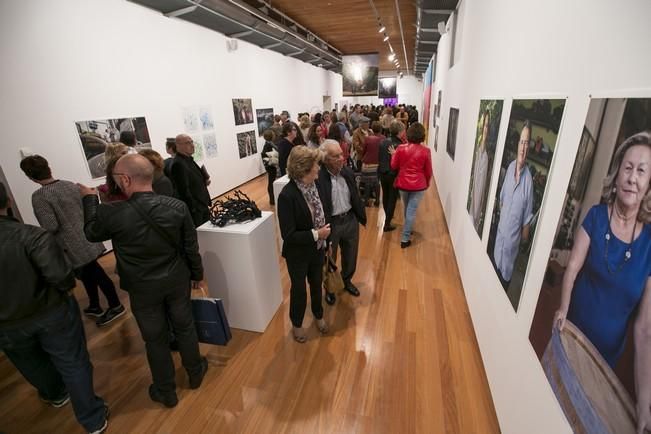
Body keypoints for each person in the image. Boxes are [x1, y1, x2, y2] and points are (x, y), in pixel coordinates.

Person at [80, 154, 208, 408]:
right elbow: (190, 248)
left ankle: (166, 391)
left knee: (155, 339)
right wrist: (197, 274)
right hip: (176, 279)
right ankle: (195, 373)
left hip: (141, 286)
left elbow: (91, 232)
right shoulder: (177, 207)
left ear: (125, 179)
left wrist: (88, 199)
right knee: (185, 327)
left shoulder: (112, 213)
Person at [553, 132, 651, 432]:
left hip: (602, 362)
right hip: (569, 337)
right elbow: (572, 268)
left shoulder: (650, 244)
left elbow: (645, 328)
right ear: (618, 172)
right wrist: (562, 309)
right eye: (627, 167)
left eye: (642, 170)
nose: (632, 177)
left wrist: (644, 400)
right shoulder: (596, 216)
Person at [0, 182, 109, 434]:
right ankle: (92, 419)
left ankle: (55, 394)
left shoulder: (34, 227)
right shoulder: (31, 236)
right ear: (7, 202)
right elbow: (60, 277)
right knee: (72, 362)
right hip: (50, 312)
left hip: (7, 325)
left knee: (30, 362)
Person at [19, 155, 126, 327]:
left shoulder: (40, 197)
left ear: (29, 176)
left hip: (70, 245)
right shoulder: (70, 185)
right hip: (87, 237)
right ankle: (95, 305)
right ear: (48, 167)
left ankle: (116, 305)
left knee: (94, 274)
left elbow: (51, 225)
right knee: (88, 274)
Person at [277, 146, 330, 343]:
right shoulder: (287, 195)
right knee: (299, 290)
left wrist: (325, 240)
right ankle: (297, 324)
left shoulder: (316, 186)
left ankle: (318, 314)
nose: (318, 167)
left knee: (317, 284)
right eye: (315, 164)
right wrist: (318, 234)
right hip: (298, 255)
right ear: (304, 169)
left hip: (317, 250)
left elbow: (323, 215)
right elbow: (288, 235)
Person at [318, 140, 367, 304]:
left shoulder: (347, 172)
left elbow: (354, 194)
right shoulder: (319, 177)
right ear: (325, 159)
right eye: (336, 156)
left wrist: (360, 213)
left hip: (350, 220)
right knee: (329, 260)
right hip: (331, 224)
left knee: (351, 255)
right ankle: (330, 288)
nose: (342, 158)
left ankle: (346, 281)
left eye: (341, 153)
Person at [492, 120, 534, 287]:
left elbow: (525, 228)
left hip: (509, 260)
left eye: (527, 143)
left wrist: (516, 240)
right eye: (522, 142)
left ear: (529, 148)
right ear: (518, 144)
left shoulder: (529, 182)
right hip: (497, 250)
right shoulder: (509, 169)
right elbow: (502, 201)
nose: (523, 148)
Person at [391, 122, 433, 248]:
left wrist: (393, 155)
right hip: (418, 185)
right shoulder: (426, 151)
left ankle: (407, 229)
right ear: (422, 135)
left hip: (403, 183)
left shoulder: (400, 148)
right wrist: (426, 182)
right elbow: (428, 170)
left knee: (407, 208)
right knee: (411, 210)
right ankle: (405, 238)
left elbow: (393, 166)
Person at [171, 134, 211, 227]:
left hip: (202, 205)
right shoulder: (178, 164)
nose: (192, 145)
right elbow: (183, 190)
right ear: (178, 146)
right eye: (187, 143)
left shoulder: (188, 160)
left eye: (192, 142)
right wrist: (194, 209)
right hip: (196, 210)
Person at [378, 121, 404, 232]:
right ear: (399, 132)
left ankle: (388, 217)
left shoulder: (383, 142)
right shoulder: (401, 145)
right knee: (392, 199)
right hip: (393, 174)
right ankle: (387, 223)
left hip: (382, 173)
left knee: (385, 196)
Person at [469, 110, 491, 231]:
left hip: (475, 214)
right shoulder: (478, 150)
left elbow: (481, 188)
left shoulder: (486, 155)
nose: (485, 129)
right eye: (484, 125)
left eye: (487, 126)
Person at [360, 121, 384, 207]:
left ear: (372, 129)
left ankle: (366, 201)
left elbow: (364, 151)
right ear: (381, 129)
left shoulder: (367, 138)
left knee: (367, 183)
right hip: (377, 163)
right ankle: (377, 201)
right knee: (377, 183)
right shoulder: (383, 138)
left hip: (367, 164)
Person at [261, 129, 279, 205]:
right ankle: (272, 200)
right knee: (271, 182)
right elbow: (266, 156)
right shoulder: (268, 145)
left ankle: (273, 199)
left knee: (271, 181)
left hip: (271, 166)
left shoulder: (269, 144)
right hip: (271, 166)